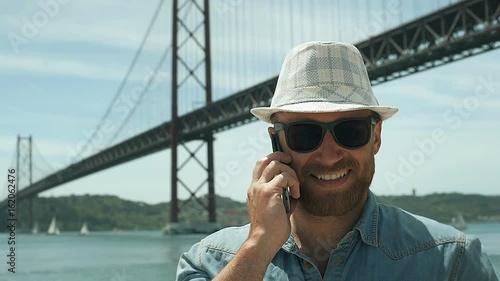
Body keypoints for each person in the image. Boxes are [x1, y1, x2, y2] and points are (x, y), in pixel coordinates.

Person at [176, 41, 498, 280]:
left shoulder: (453, 263)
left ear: (376, 137)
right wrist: (259, 246)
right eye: (305, 133)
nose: (330, 154)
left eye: (351, 130)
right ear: (276, 142)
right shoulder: (208, 263)